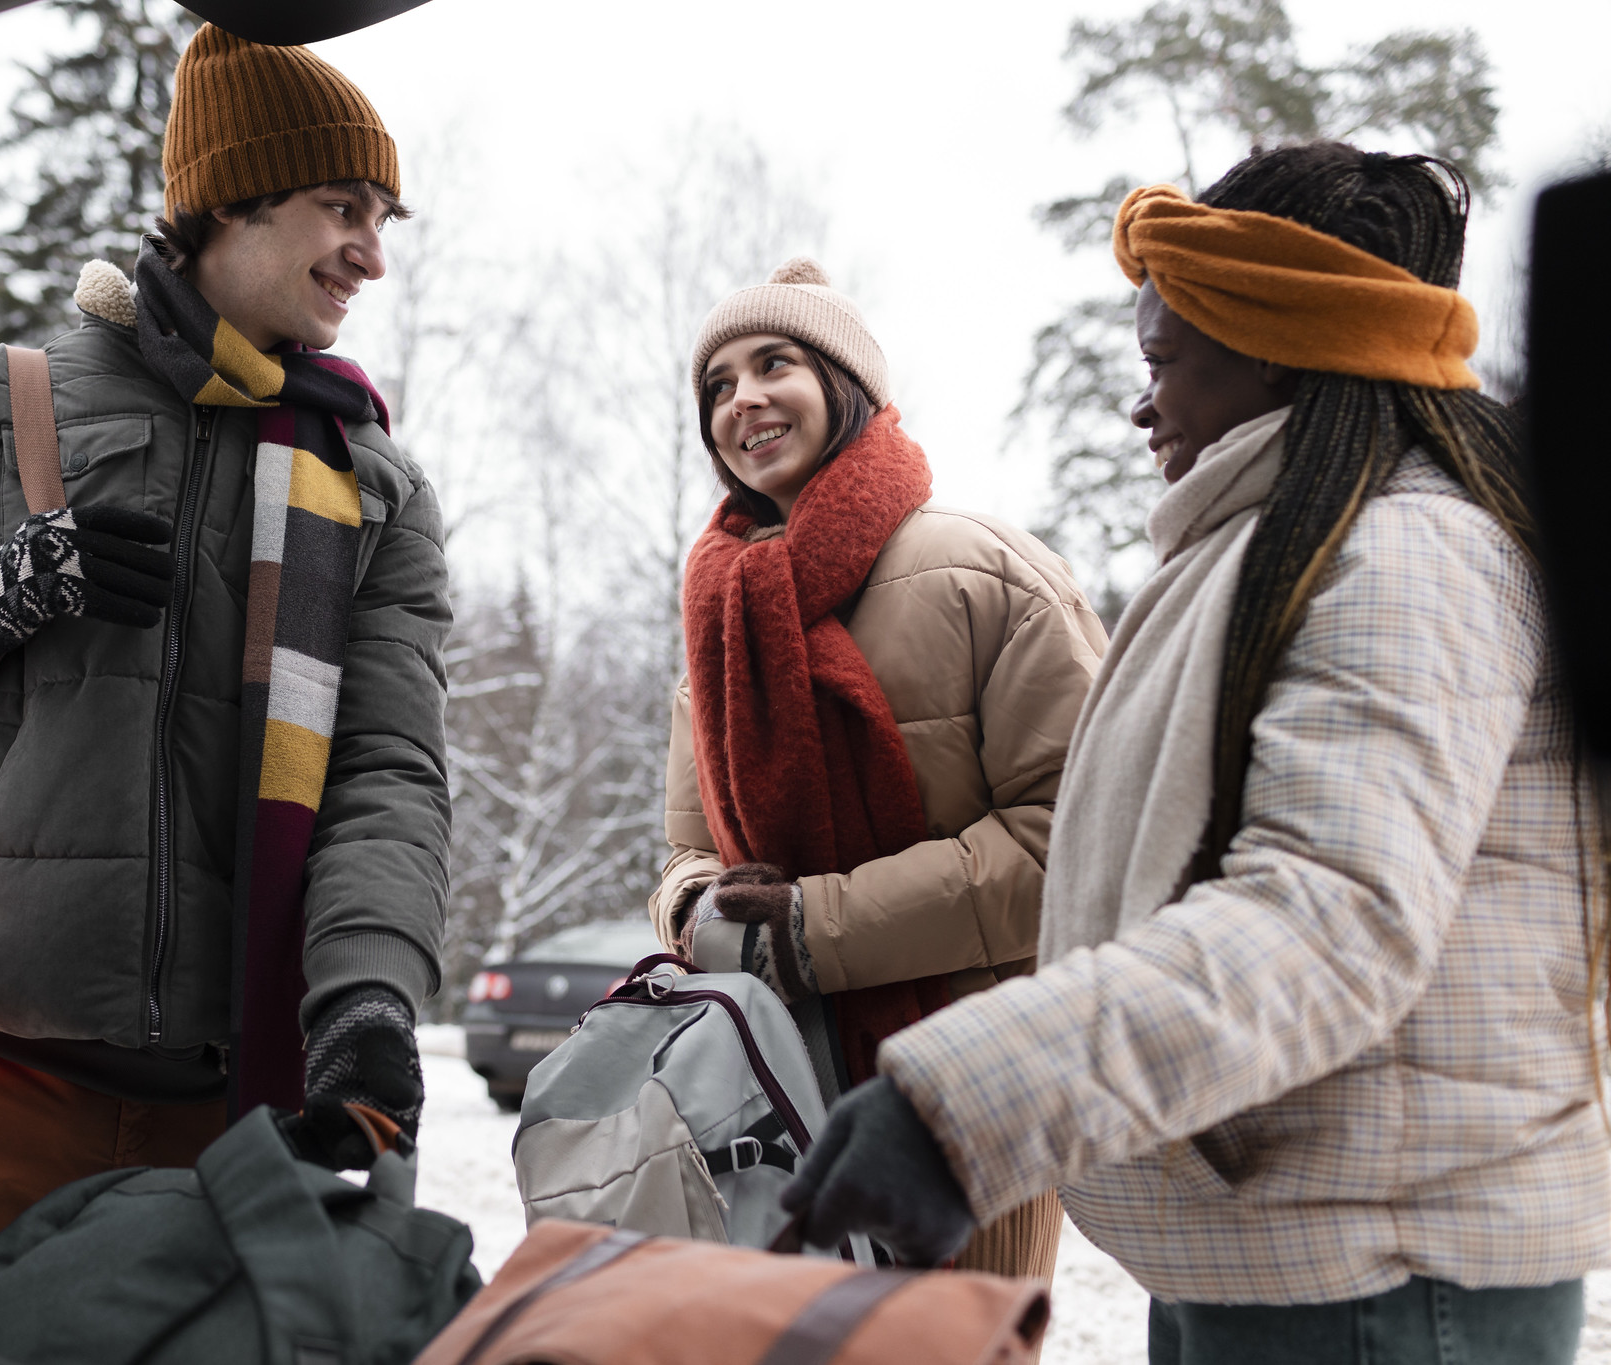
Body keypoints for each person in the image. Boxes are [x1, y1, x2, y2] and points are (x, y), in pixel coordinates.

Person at [782, 143, 1611, 1364]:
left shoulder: (1402, 561)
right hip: (1295, 1255)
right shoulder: (1304, 542)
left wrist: (968, 1098)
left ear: (1273, 345)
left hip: (1380, 1290)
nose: (1140, 403)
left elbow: (1326, 917)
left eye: (1162, 361)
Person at [0, 28, 451, 1277]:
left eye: (383, 217)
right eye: (342, 207)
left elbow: (386, 773)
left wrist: (369, 997)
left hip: (229, 1115)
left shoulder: (370, 484)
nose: (370, 256)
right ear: (228, 199)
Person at [651, 256, 1109, 1278]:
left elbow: (1072, 842)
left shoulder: (985, 570)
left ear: (845, 386)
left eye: (774, 364)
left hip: (969, 1094)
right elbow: (687, 851)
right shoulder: (717, 618)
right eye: (716, 386)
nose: (743, 400)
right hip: (767, 1104)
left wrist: (812, 931)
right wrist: (697, 913)